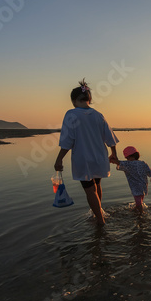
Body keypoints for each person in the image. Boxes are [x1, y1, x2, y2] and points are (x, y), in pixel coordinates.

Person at [54, 79, 119, 226]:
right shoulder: (98, 115)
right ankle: (98, 212)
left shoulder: (71, 114)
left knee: (90, 190)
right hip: (100, 158)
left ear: (74, 100)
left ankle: (100, 222)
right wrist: (114, 154)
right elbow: (111, 138)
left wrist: (59, 159)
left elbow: (67, 141)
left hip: (84, 160)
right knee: (97, 186)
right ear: (89, 99)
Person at [110, 146, 151, 214]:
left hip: (136, 188)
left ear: (127, 157)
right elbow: (150, 172)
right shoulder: (143, 163)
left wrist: (110, 159)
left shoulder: (128, 164)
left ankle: (141, 215)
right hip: (143, 186)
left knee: (138, 203)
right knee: (140, 201)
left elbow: (117, 162)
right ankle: (138, 210)